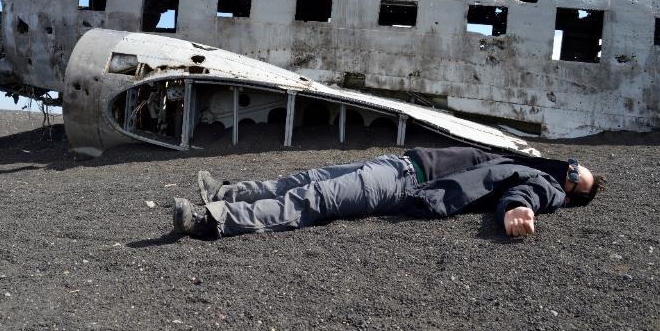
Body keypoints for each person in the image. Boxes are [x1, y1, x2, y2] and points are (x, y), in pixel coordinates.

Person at [171, 147, 607, 239]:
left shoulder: (545, 184)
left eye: (573, 176)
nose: (566, 170)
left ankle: (211, 220)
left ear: (568, 194)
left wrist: (516, 211)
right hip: (397, 162)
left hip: (405, 182)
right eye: (572, 165)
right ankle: (227, 192)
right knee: (303, 180)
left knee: (313, 200)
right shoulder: (531, 160)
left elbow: (528, 195)